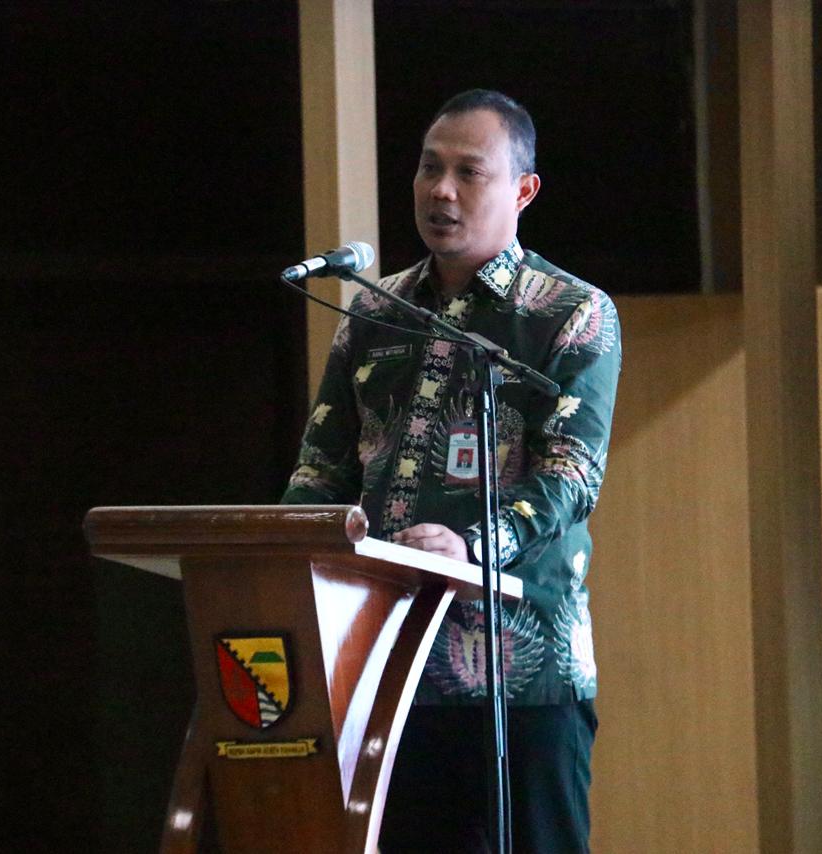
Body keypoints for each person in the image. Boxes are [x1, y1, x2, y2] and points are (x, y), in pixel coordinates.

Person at [281, 89, 621, 853]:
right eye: (429, 168)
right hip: (384, 667)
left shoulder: (571, 313)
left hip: (523, 675)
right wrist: (281, 555)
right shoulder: (374, 312)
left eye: (469, 172)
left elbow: (570, 476)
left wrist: (470, 548)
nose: (441, 190)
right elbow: (320, 470)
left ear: (523, 190)